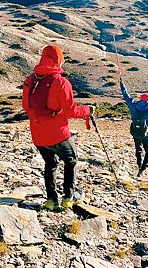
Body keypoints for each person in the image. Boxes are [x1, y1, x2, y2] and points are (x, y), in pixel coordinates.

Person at [22, 44, 94, 211]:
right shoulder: (61, 82)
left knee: (50, 163)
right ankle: (68, 198)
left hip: (38, 135)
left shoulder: (30, 80)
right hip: (58, 134)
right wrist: (88, 110)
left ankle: (51, 200)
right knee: (71, 160)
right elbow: (72, 111)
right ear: (58, 61)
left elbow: (26, 106)